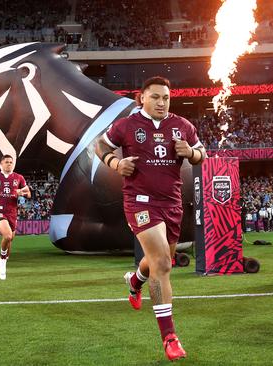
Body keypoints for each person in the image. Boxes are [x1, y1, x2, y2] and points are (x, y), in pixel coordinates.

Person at [95, 76, 206, 361]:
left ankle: (135, 280)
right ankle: (169, 337)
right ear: (141, 98)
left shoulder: (183, 126)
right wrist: (116, 163)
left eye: (166, 97)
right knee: (163, 264)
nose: (161, 102)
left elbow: (202, 154)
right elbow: (100, 146)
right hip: (140, 201)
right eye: (155, 97)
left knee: (157, 262)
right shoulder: (127, 125)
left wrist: (191, 152)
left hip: (172, 203)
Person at [0, 155, 31, 280]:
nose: (9, 164)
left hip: (12, 212)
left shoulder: (19, 178)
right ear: (1, 164)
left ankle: (4, 259)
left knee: (10, 239)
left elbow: (28, 194)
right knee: (7, 235)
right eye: (7, 162)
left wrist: (21, 192)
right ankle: (2, 262)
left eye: (11, 162)